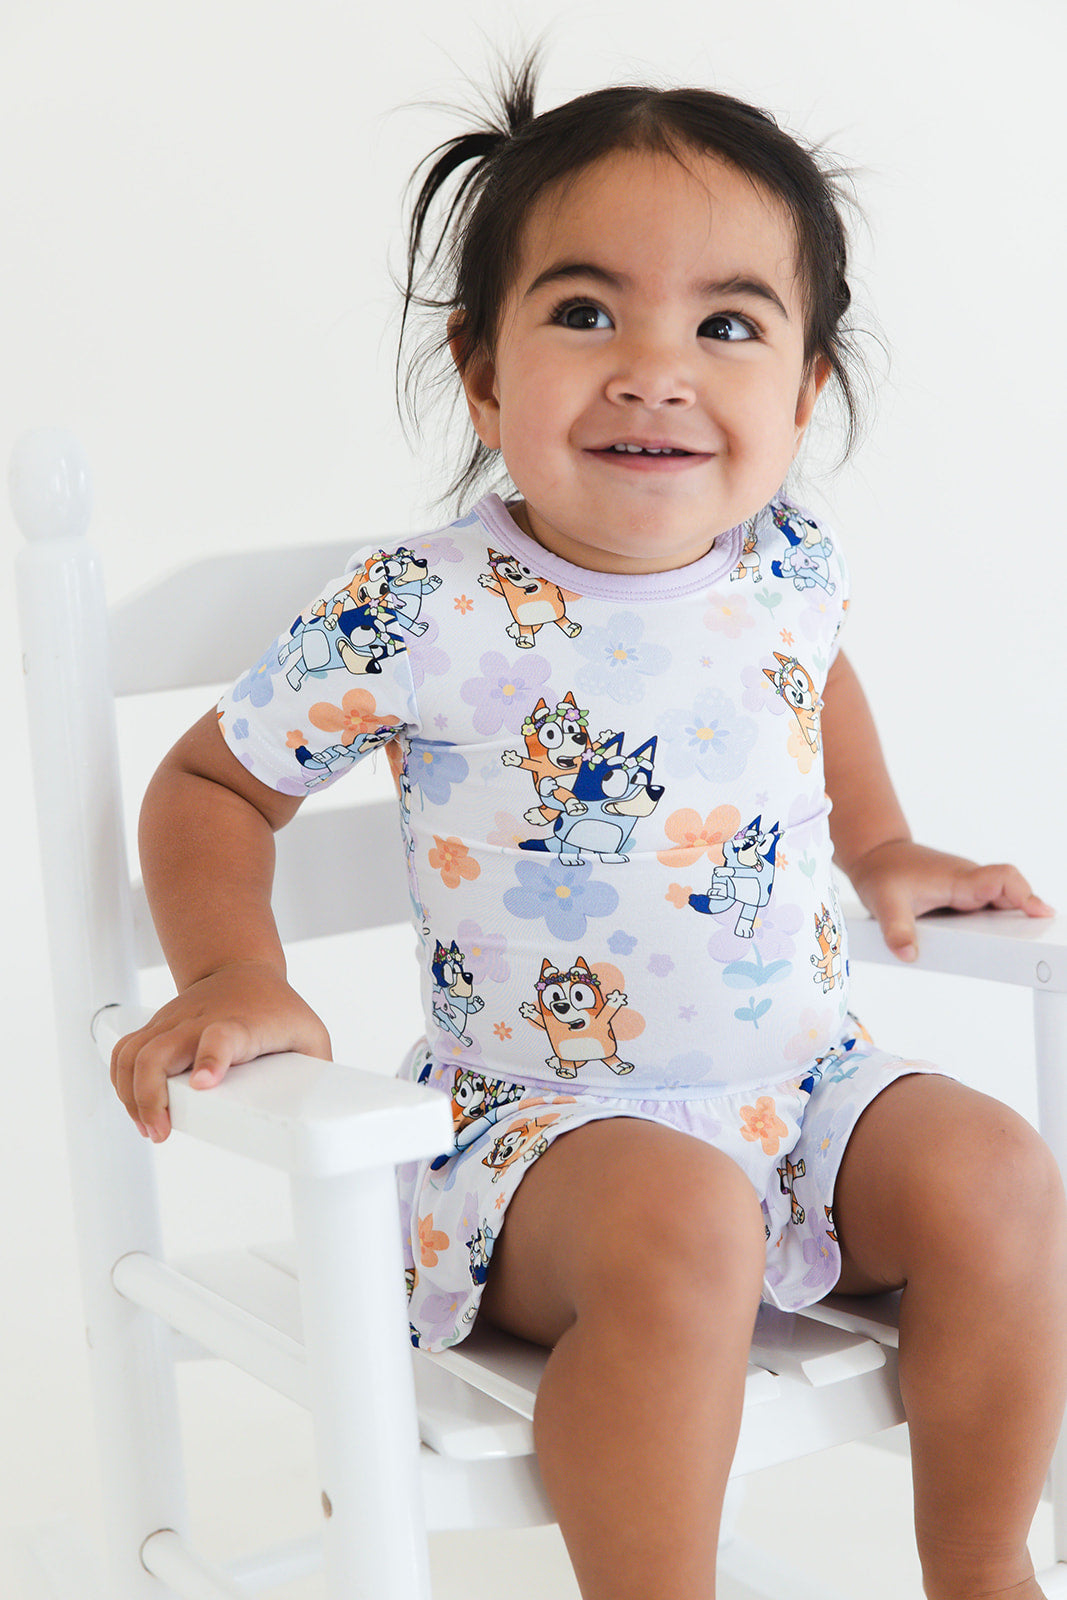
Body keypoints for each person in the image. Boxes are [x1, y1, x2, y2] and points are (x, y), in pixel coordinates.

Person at [111, 59, 1067, 1600]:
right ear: (483, 373)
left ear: (805, 392)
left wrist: (881, 843)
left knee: (1001, 1175)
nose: (655, 371)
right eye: (584, 312)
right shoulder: (424, 607)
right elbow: (214, 785)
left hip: (802, 1091)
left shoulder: (786, 561)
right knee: (683, 1224)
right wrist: (232, 971)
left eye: (727, 325)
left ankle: (982, 1571)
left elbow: (815, 674)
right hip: (541, 1143)